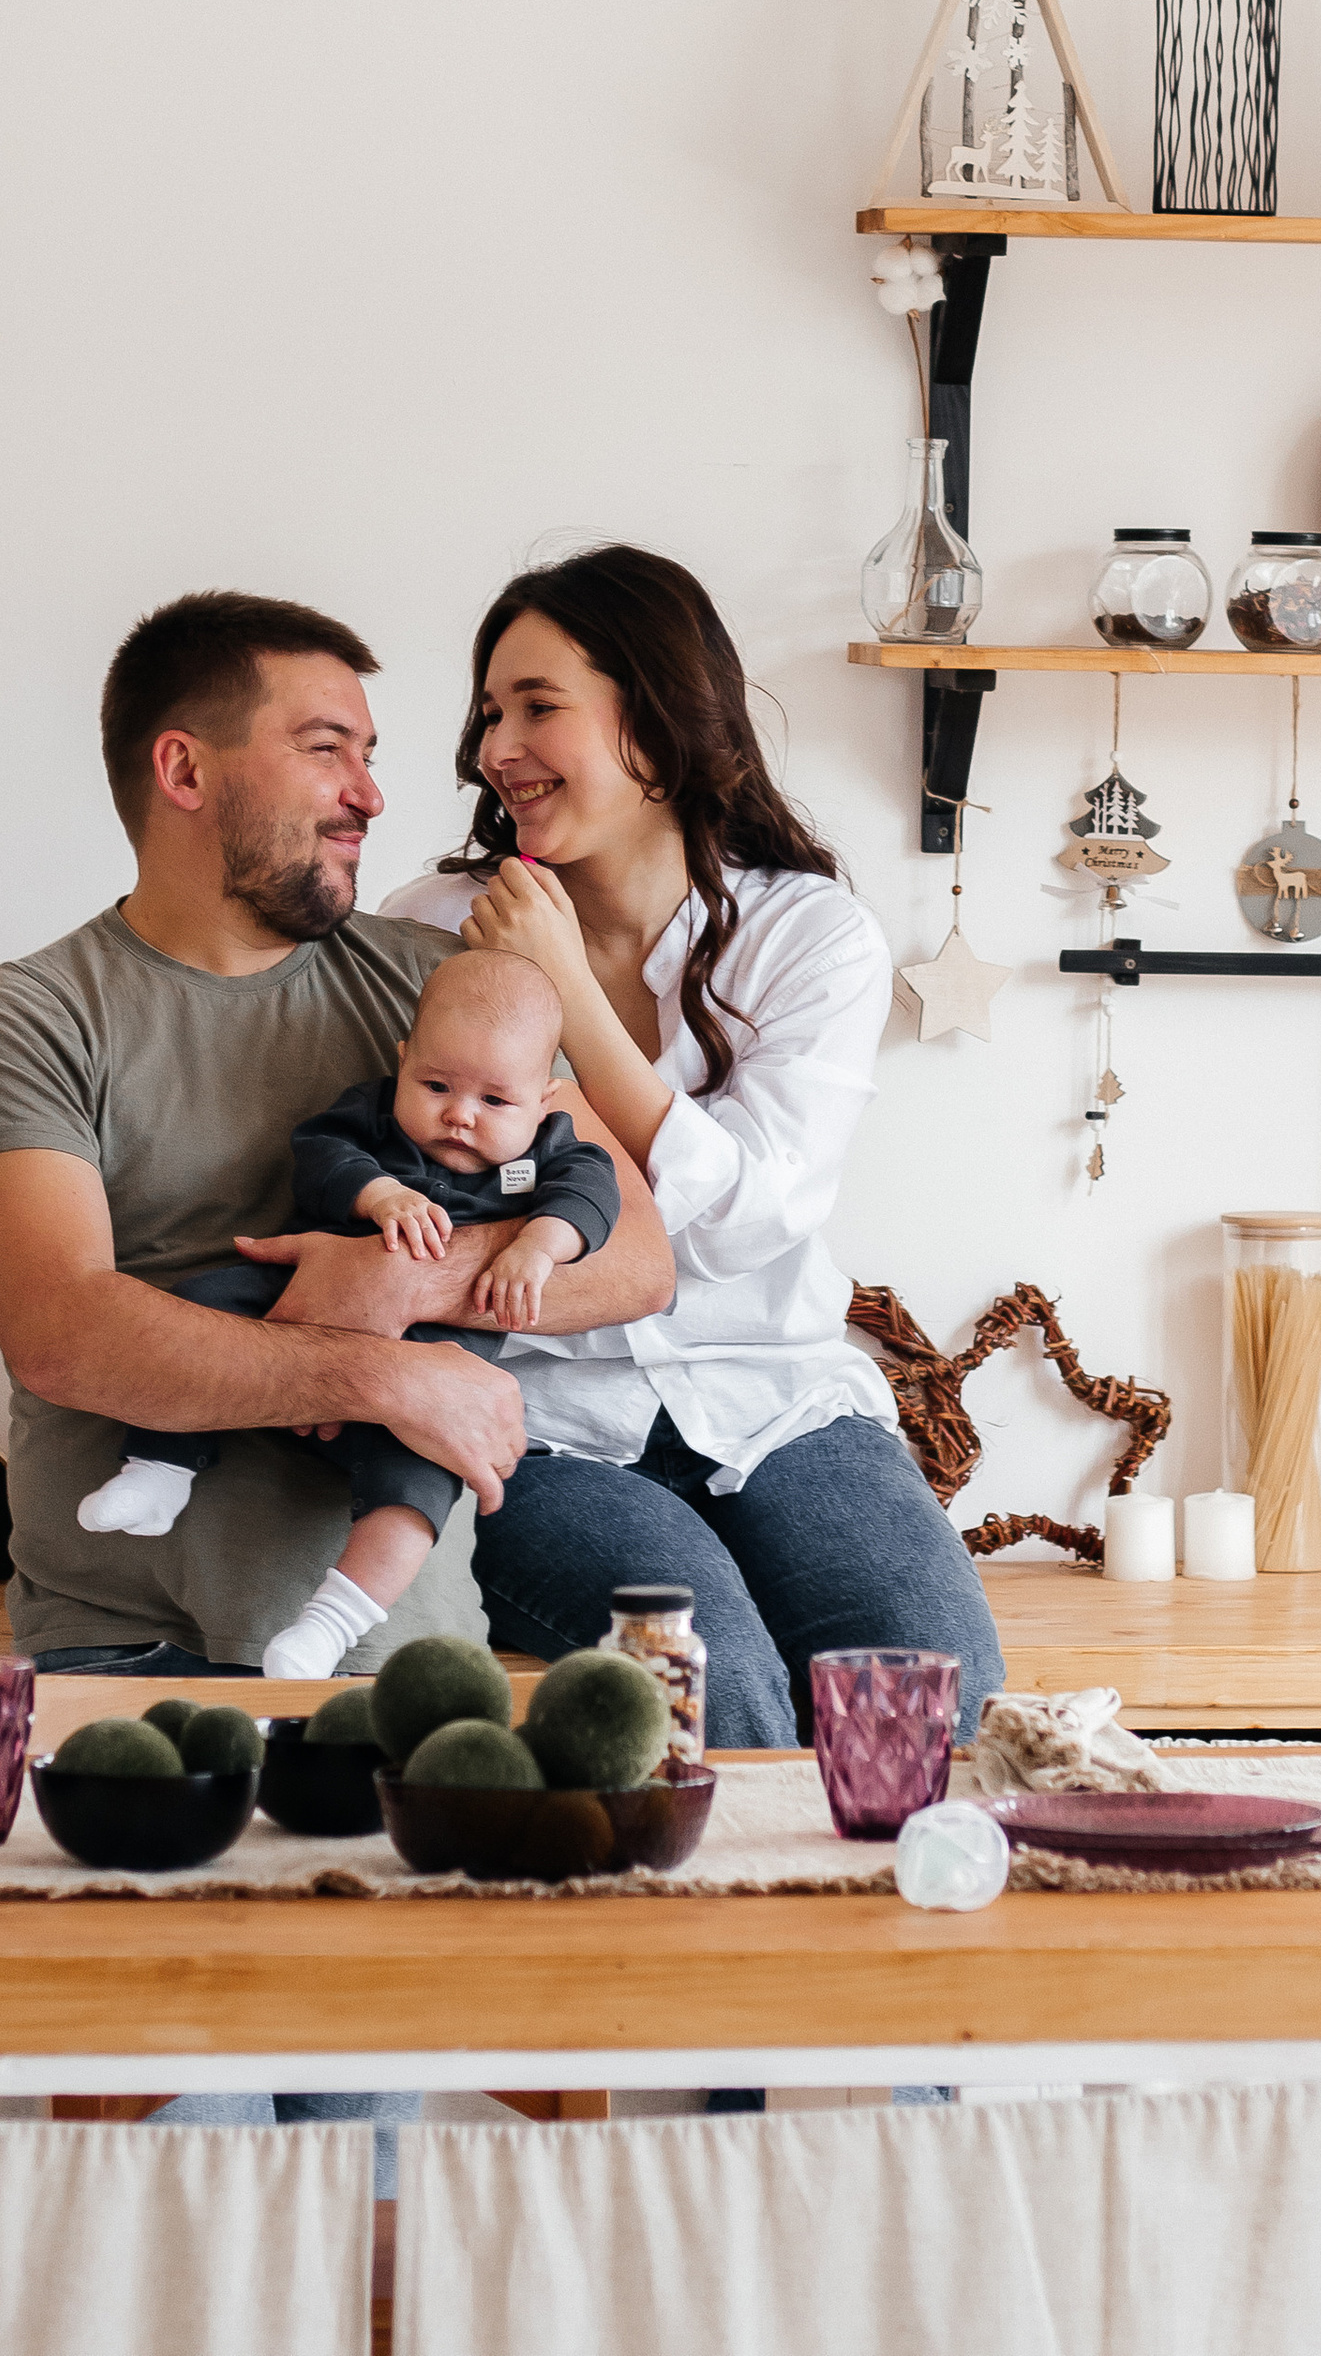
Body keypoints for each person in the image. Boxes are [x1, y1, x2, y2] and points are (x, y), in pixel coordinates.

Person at [0, 589, 675, 1676]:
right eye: (326, 750)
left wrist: (403, 1284)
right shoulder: (29, 1018)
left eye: (368, 754)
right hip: (122, 1646)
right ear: (185, 772)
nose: (368, 793)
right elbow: (60, 1329)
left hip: (401, 1650)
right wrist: (381, 1376)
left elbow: (639, 1257)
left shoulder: (446, 993)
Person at [382, 541, 1004, 1747]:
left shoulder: (809, 934)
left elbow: (748, 1219)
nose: (493, 750)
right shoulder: (429, 934)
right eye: (489, 713)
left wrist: (562, 985)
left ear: (658, 731)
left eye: (538, 707)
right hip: (542, 1416)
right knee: (723, 1704)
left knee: (941, 1708)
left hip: (778, 1400)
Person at [75, 945, 622, 1680]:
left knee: (423, 1482)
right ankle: (160, 1469)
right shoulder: (372, 1118)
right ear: (404, 1060)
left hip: (432, 1368)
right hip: (302, 1302)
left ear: (546, 1098)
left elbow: (594, 1197)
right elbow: (321, 1154)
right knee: (199, 1306)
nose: (459, 1115)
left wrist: (538, 1248)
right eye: (435, 1084)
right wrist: (380, 1195)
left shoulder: (553, 1152)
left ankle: (330, 1624)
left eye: (496, 1102)